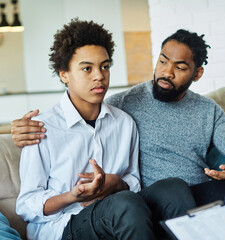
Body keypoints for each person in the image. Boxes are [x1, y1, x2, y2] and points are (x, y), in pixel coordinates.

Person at [12, 29, 225, 220]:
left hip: (204, 188)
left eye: (180, 67)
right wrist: (17, 129)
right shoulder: (124, 103)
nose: (166, 72)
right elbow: (81, 112)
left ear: (197, 73)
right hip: (159, 197)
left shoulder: (207, 110)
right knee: (219, 194)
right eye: (162, 61)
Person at [16, 19, 195, 240]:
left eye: (105, 66)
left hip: (118, 213)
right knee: (124, 203)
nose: (99, 75)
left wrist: (116, 183)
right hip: (63, 225)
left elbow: (133, 182)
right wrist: (72, 196)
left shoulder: (124, 123)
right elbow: (26, 205)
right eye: (86, 68)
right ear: (64, 74)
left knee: (174, 188)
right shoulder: (41, 128)